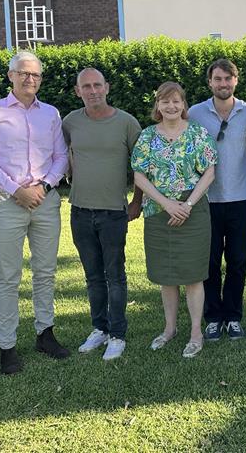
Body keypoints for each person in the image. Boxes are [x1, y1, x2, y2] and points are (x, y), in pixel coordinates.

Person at [0, 50, 69, 374]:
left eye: (35, 74)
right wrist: (17, 190)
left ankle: (45, 333)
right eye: (24, 73)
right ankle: (7, 345)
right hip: (7, 203)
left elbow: (61, 157)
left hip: (45, 201)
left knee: (45, 272)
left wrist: (44, 185)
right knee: (8, 277)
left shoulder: (51, 114)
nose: (30, 79)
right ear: (11, 76)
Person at [131, 81, 217, 358]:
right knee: (166, 275)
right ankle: (169, 329)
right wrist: (167, 204)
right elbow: (139, 175)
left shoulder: (197, 133)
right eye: (165, 101)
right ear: (157, 105)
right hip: (159, 213)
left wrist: (187, 205)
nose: (171, 106)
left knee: (193, 276)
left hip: (193, 212)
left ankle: (195, 332)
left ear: (184, 104)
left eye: (176, 101)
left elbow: (209, 172)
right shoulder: (147, 136)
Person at [62, 68, 143, 361]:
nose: (93, 90)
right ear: (78, 91)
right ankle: (100, 328)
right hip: (80, 211)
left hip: (113, 213)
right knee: (93, 276)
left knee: (115, 275)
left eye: (97, 85)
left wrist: (137, 201)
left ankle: (117, 334)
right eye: (86, 86)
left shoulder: (126, 123)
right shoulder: (70, 122)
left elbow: (141, 165)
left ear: (107, 87)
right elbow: (62, 154)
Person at [188, 59, 246, 342]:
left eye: (228, 78)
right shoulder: (195, 113)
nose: (223, 84)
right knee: (210, 262)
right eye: (218, 79)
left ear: (236, 80)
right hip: (207, 199)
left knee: (238, 261)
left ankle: (233, 316)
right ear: (210, 82)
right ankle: (213, 318)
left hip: (241, 198)